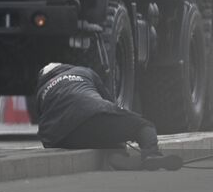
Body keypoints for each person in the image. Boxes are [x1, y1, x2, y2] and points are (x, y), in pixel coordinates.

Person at [31, 62, 182, 169]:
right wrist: (122, 134)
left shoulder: (41, 92)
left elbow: (42, 118)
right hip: (93, 114)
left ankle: (115, 157)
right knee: (144, 126)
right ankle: (151, 155)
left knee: (100, 133)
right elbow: (109, 103)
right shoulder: (83, 72)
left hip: (60, 137)